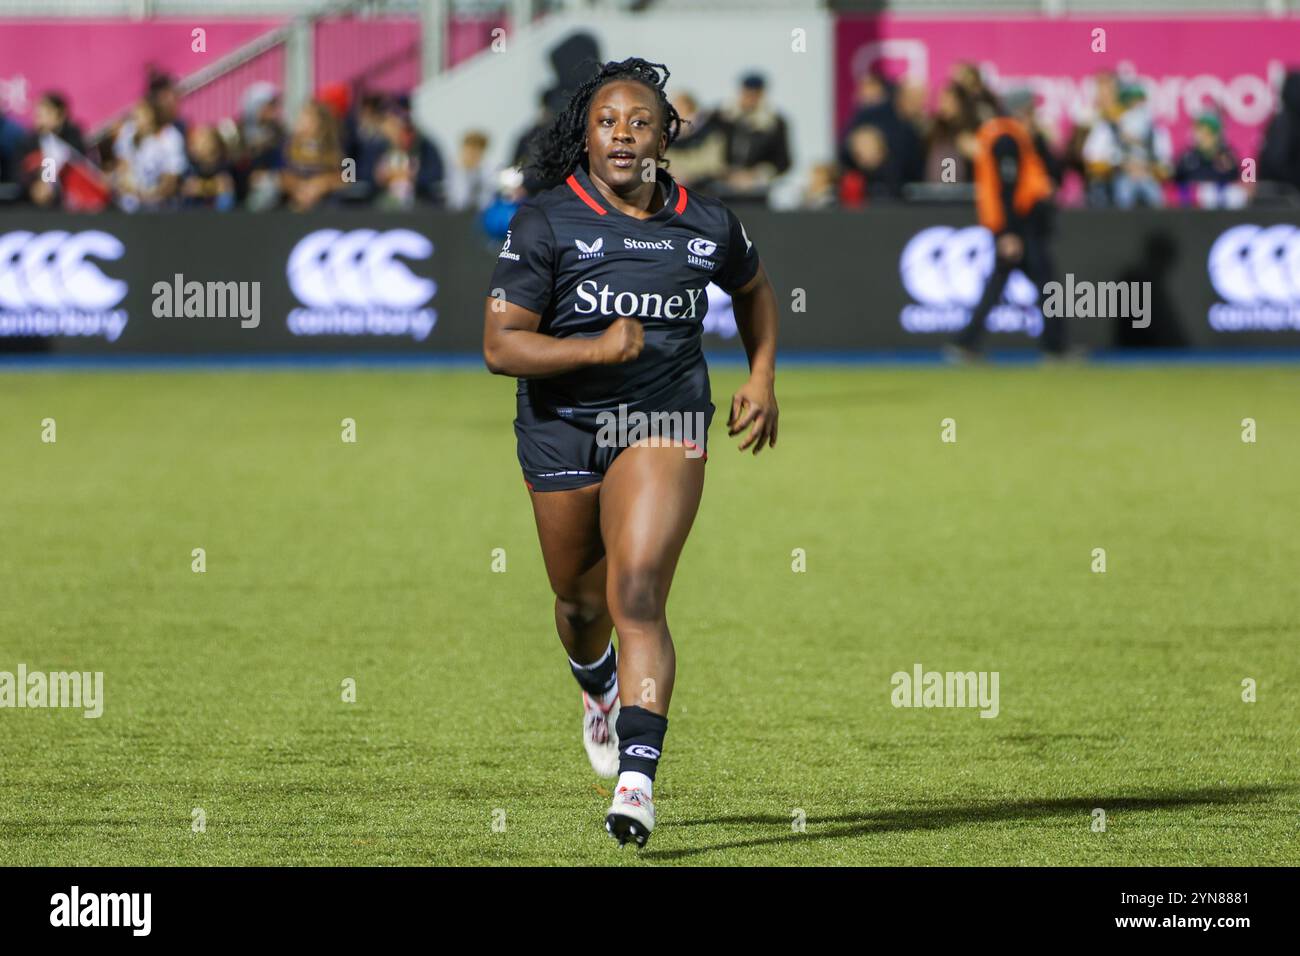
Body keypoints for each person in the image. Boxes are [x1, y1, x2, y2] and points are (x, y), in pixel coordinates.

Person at [482, 57, 780, 848]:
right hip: (561, 428)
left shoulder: (706, 222)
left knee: (637, 592)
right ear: (585, 135)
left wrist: (760, 375)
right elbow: (499, 346)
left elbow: (751, 287)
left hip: (663, 421)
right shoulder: (544, 221)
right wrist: (593, 351)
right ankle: (597, 684)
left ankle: (637, 783)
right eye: (607, 121)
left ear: (664, 135)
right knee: (581, 610)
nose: (623, 134)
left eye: (639, 121)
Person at [948, 89, 1063, 360]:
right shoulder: (1007, 138)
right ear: (1021, 110)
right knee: (1045, 283)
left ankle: (966, 342)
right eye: (1031, 109)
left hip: (1014, 224)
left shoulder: (1009, 135)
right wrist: (1009, 233)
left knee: (1000, 283)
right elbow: (1006, 189)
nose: (1035, 115)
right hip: (1019, 225)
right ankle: (1055, 347)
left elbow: (1048, 175)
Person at [716, 72, 791, 205]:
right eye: (747, 93)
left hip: (756, 193)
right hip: (722, 189)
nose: (750, 98)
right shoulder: (722, 117)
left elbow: (783, 161)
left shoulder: (774, 123)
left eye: (755, 94)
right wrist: (726, 173)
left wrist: (756, 175)